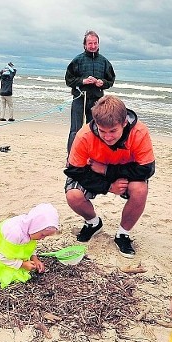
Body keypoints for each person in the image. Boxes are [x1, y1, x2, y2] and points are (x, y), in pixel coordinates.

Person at [64, 95, 155, 257]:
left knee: (140, 189)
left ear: (124, 122)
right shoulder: (84, 135)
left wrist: (107, 171)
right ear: (95, 123)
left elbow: (147, 169)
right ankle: (93, 223)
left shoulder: (139, 132)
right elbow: (74, 170)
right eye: (102, 131)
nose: (107, 137)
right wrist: (108, 186)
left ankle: (122, 234)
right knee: (73, 195)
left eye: (113, 131)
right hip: (92, 171)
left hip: (122, 170)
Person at [0, 203, 60, 288]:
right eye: (42, 235)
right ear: (36, 227)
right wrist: (23, 264)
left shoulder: (30, 228)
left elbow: (30, 246)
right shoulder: (15, 234)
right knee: (15, 277)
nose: (43, 238)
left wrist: (35, 259)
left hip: (8, 252)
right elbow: (1, 257)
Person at [65, 30, 115, 153]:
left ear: (98, 44)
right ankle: (71, 158)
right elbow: (68, 80)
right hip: (79, 99)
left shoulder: (104, 62)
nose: (93, 46)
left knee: (94, 130)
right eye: (90, 43)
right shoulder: (78, 60)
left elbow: (111, 80)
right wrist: (83, 81)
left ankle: (91, 156)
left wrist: (102, 83)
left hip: (97, 101)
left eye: (95, 43)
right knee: (75, 130)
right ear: (85, 45)